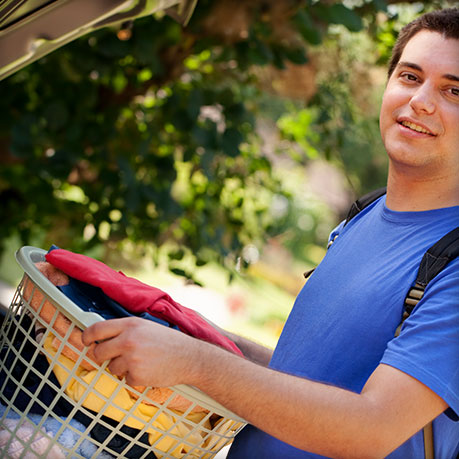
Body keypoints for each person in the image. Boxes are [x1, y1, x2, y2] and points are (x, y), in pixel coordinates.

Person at [82, 8, 459, 458]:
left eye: (453, 90)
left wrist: (199, 363)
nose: (420, 101)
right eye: (410, 76)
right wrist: (184, 331)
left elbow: (373, 427)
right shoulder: (364, 214)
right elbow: (301, 378)